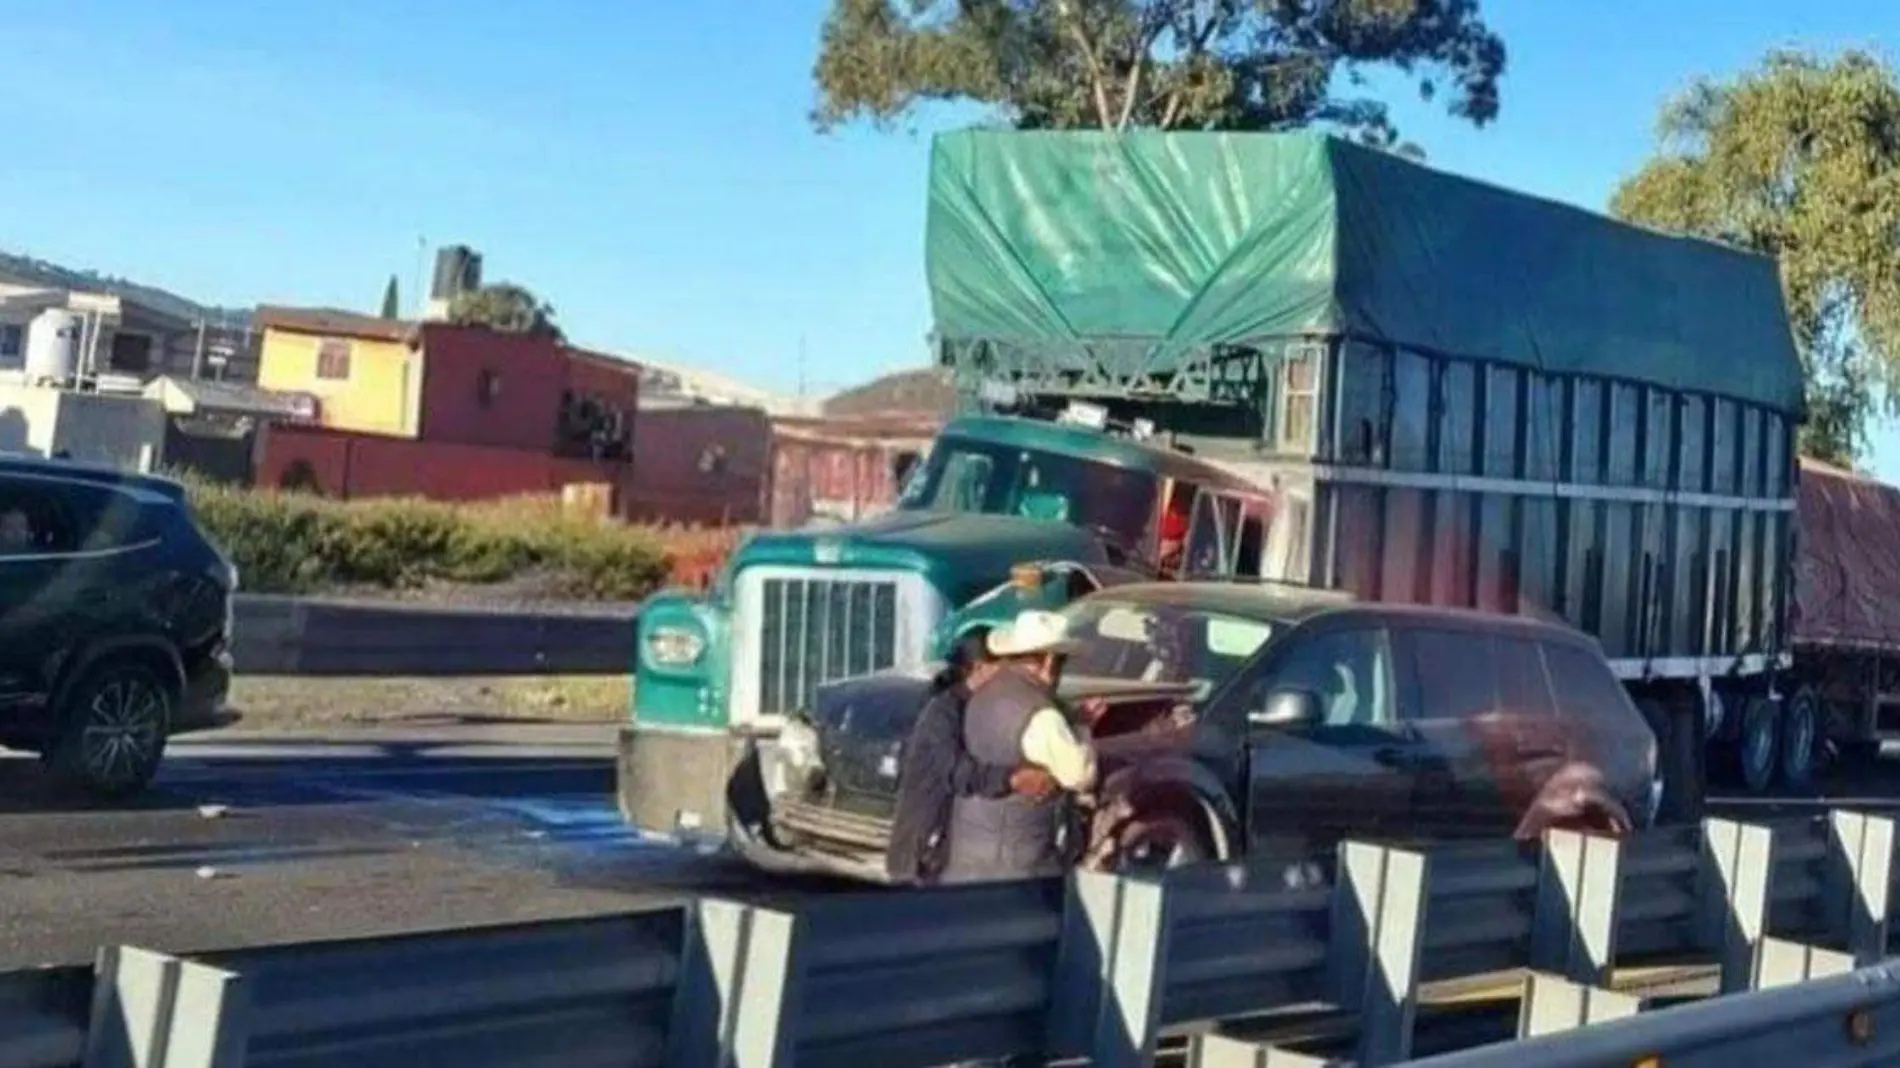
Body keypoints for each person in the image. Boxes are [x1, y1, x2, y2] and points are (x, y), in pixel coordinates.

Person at [939, 610, 1100, 884]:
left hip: (967, 856)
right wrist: (1082, 728)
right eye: (1061, 662)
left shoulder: (983, 696)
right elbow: (1080, 775)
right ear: (1049, 662)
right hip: (1021, 866)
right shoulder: (1040, 714)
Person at [886, 631, 1058, 885]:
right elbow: (957, 773)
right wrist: (1012, 779)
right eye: (1003, 667)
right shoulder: (943, 714)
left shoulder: (979, 707)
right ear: (980, 668)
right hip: (923, 856)